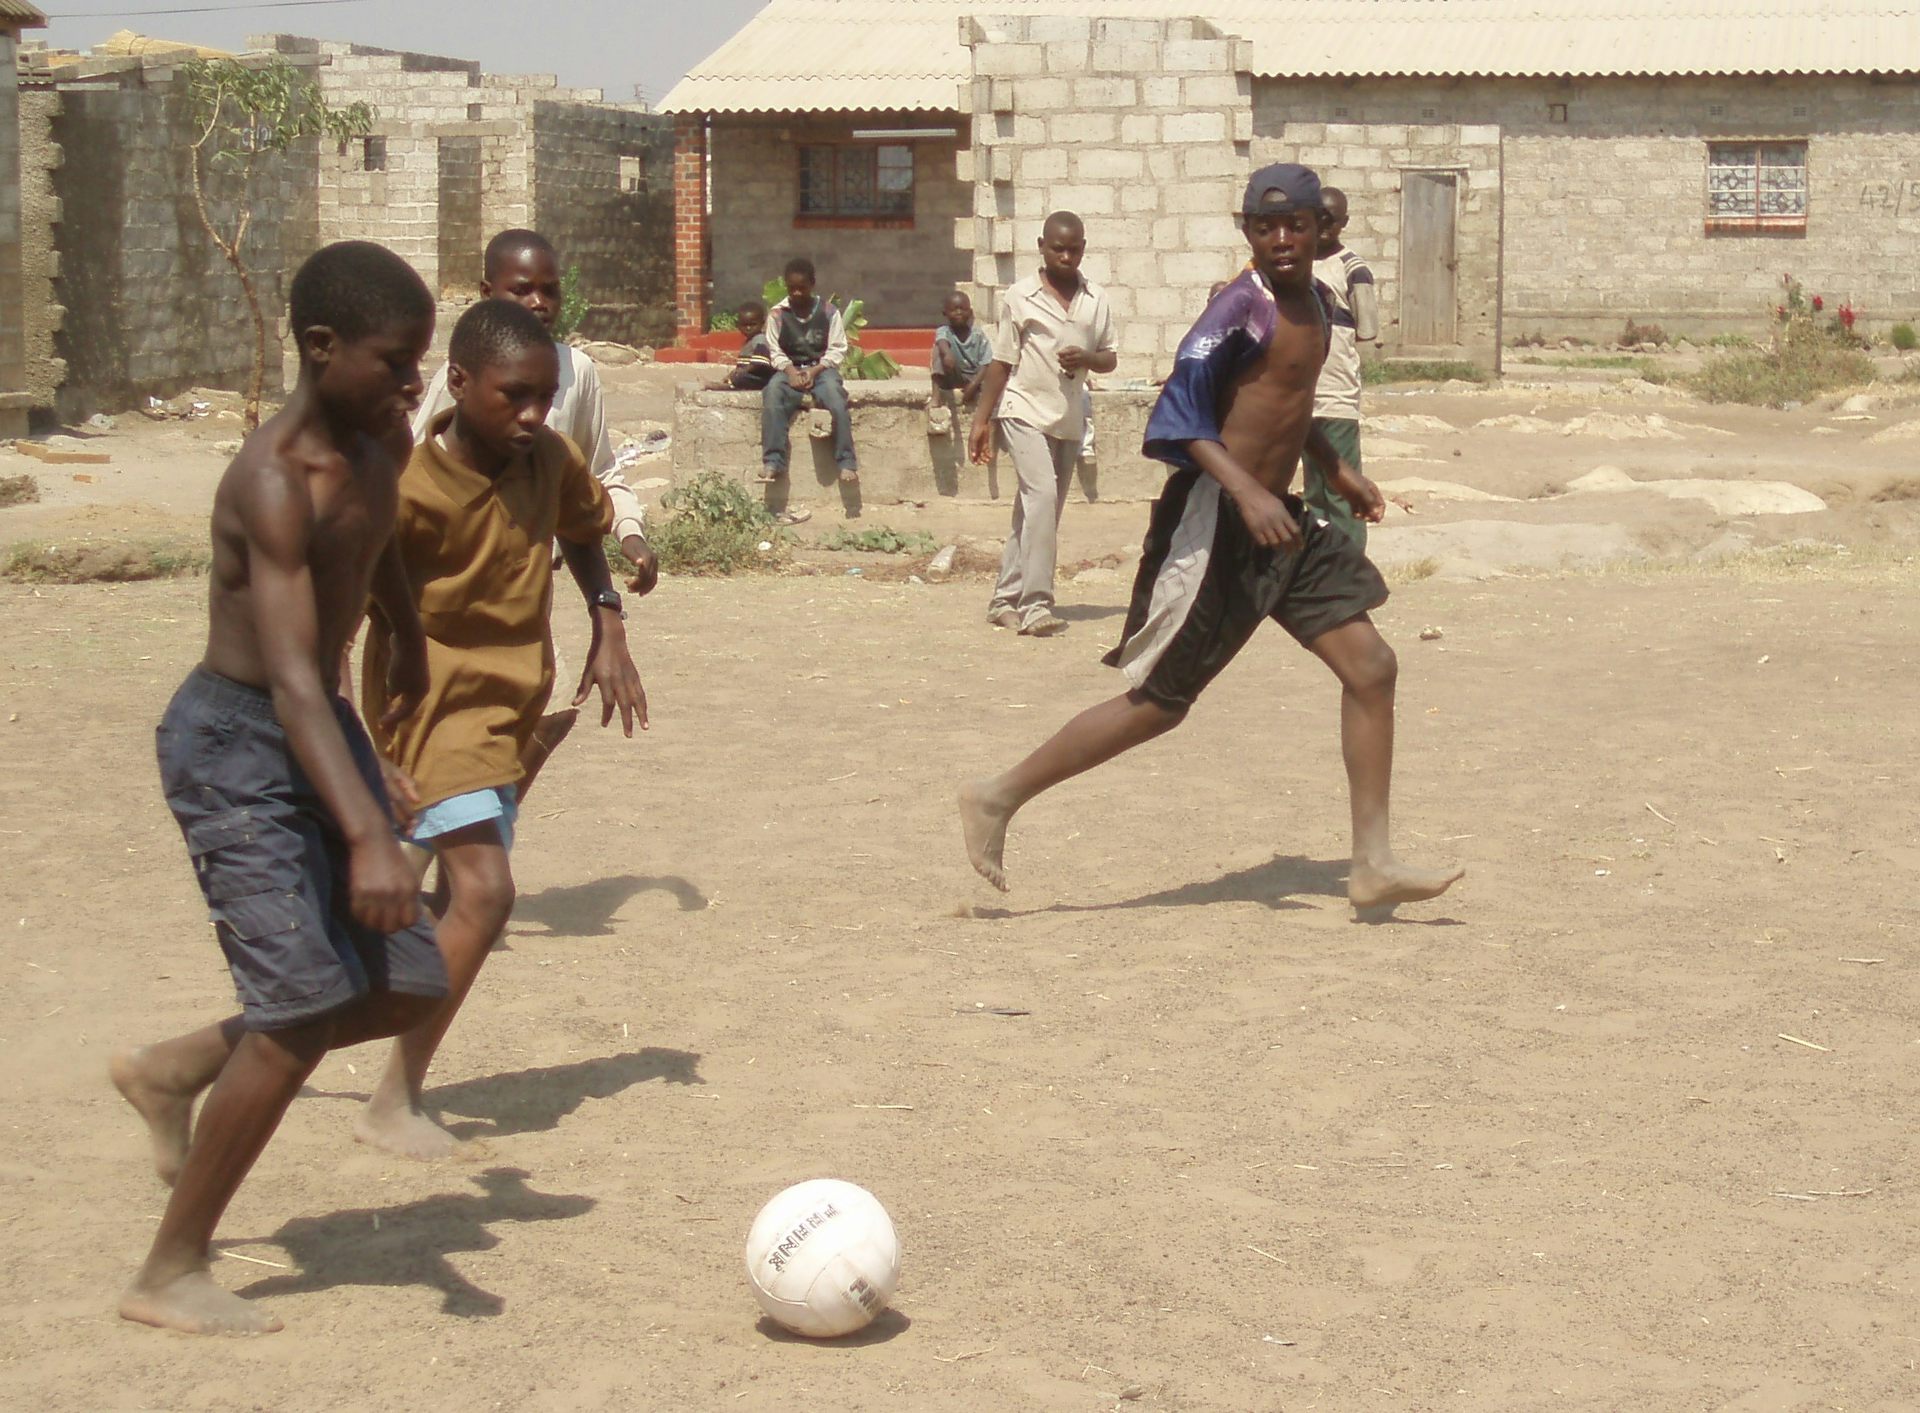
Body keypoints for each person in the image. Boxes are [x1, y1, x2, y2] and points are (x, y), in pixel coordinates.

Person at [958, 165, 1463, 916]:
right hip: (1214, 520)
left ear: (1323, 230)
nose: (1284, 240)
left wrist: (1336, 469)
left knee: (1372, 666)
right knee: (1160, 704)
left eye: (1297, 225)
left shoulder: (1321, 305)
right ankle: (997, 795)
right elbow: (1178, 417)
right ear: (1247, 232)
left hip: (1279, 519)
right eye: (1267, 228)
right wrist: (1248, 491)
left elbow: (1287, 408)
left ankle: (1372, 862)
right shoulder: (1238, 307)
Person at [109, 242, 445, 1335]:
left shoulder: (379, 438)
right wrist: (364, 831)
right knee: (299, 1012)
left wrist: (400, 654)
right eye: (397, 363)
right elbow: (295, 676)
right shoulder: (270, 479)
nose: (412, 385)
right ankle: (169, 1273)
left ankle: (174, 1070)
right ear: (321, 347)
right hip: (236, 742)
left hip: (317, 726)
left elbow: (379, 552)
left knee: (403, 986)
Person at [354, 299, 648, 1162]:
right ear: (457, 383)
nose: (531, 415)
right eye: (514, 396)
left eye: (544, 398)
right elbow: (341, 615)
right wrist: (355, 742)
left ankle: (194, 1061)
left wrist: (608, 625)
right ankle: (394, 1097)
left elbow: (584, 529)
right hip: (431, 712)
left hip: (508, 704)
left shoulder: (545, 458)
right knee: (485, 893)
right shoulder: (404, 490)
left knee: (437, 909)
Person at [414, 230, 657, 596]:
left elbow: (596, 472)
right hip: (459, 575)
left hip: (532, 578)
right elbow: (416, 464)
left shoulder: (576, 371)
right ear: (487, 293)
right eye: (522, 290)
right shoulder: (468, 375)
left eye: (550, 290)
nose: (539, 302)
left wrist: (629, 531)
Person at [968, 211, 1118, 638]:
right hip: (1023, 409)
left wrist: (1086, 359)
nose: (1066, 256)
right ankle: (1036, 604)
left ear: (1083, 248)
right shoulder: (1020, 296)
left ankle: (1003, 599)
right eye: (1058, 248)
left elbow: (1109, 357)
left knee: (1038, 512)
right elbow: (1002, 363)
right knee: (1043, 496)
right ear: (1042, 245)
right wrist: (983, 420)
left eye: (1074, 249)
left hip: (1068, 416)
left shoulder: (1096, 299)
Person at [1304, 187, 1380, 548]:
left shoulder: (1353, 269)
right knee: (1314, 491)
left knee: (1341, 489)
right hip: (1301, 397)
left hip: (1336, 395)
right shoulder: (1296, 262)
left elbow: (1367, 328)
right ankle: (1318, 568)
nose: (1324, 226)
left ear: (1344, 223)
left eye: (1332, 219)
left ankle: (1349, 569)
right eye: (1318, 217)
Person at [759, 257, 858, 486]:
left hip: (821, 369)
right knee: (773, 394)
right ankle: (773, 461)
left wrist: (815, 371)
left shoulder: (829, 312)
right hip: (790, 368)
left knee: (835, 397)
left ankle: (846, 462)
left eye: (801, 288)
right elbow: (774, 350)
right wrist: (791, 372)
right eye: (791, 288)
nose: (796, 293)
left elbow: (837, 349)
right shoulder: (777, 315)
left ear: (812, 284)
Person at [930, 290, 992, 411]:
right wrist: (947, 353)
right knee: (938, 349)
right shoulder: (944, 331)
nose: (958, 313)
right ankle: (936, 396)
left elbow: (986, 363)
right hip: (952, 374)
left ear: (970, 312)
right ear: (945, 313)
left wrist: (973, 385)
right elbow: (942, 341)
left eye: (962, 309)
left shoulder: (978, 335)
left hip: (973, 377)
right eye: (954, 310)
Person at [712, 299, 774, 392]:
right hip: (749, 375)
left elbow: (759, 363)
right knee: (735, 376)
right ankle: (727, 383)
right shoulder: (748, 341)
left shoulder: (759, 339)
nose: (748, 328)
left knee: (740, 378)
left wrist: (743, 371)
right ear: (738, 325)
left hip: (760, 378)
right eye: (745, 325)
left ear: (762, 323)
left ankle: (727, 386)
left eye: (752, 325)